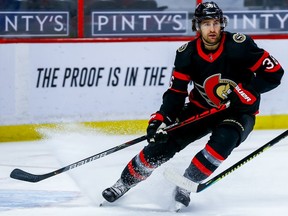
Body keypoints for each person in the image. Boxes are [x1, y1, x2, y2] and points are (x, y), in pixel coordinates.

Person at [102, 1, 284, 210]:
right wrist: (160, 120)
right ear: (197, 26)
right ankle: (122, 184)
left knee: (224, 141)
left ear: (222, 23)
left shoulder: (240, 45)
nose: (212, 29)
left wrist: (246, 92)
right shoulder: (186, 54)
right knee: (162, 143)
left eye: (216, 23)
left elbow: (273, 73)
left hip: (237, 112)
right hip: (201, 109)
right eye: (206, 24)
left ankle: (185, 184)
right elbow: (175, 93)